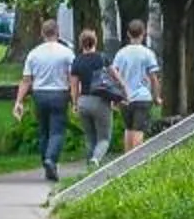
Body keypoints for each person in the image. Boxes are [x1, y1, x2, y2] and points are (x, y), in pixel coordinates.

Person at [15, 19, 78, 183]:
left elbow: (26, 80)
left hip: (40, 94)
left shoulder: (34, 54)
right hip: (59, 94)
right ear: (57, 32)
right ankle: (51, 159)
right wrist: (74, 100)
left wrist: (19, 101)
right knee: (57, 131)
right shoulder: (66, 53)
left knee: (43, 131)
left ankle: (46, 163)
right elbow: (72, 79)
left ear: (42, 33)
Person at [110, 18, 162, 148]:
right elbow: (153, 78)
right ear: (143, 33)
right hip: (142, 97)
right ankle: (137, 158)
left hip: (125, 98)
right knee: (138, 129)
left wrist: (115, 96)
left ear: (128, 34)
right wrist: (156, 97)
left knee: (128, 128)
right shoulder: (148, 53)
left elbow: (114, 74)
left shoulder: (121, 53)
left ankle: (128, 157)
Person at [69, 27, 117, 168]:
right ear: (95, 41)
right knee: (104, 138)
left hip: (84, 101)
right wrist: (122, 92)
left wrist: (75, 103)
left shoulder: (77, 61)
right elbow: (115, 76)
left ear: (81, 43)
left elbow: (74, 86)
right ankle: (95, 160)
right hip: (100, 101)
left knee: (89, 138)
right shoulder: (102, 58)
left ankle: (89, 170)